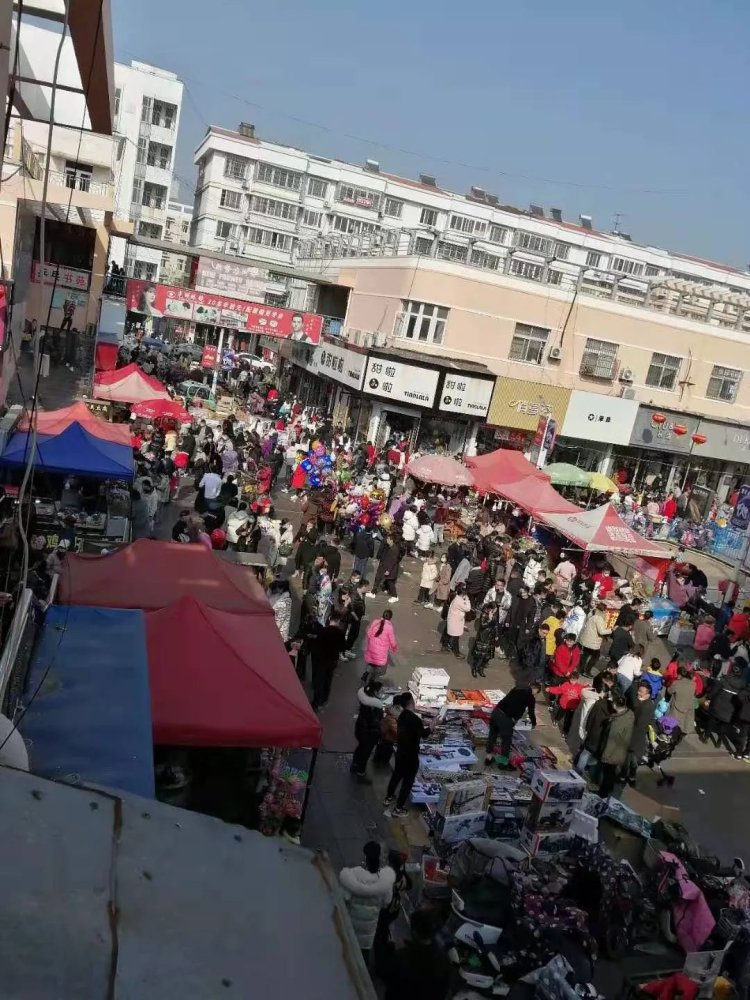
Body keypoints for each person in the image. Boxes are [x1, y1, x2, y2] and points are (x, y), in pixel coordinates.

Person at [339, 841, 396, 962]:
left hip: (352, 925)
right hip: (369, 930)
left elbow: (345, 898)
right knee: (363, 958)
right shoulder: (384, 882)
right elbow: (386, 903)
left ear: (365, 856)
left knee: (347, 956)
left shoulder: (353, 874)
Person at [379, 909, 452, 1000]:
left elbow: (385, 975)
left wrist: (387, 949)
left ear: (414, 932)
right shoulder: (443, 961)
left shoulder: (403, 957)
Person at [384, 693, 431, 818]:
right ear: (411, 702)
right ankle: (398, 808)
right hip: (411, 755)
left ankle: (388, 797)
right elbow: (424, 734)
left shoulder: (402, 716)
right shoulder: (416, 720)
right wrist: (432, 726)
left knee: (396, 775)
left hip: (401, 752)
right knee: (407, 782)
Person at [484, 682, 541, 768]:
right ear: (535, 690)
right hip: (506, 719)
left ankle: (489, 757)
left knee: (493, 734)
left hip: (496, 712)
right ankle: (502, 763)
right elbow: (531, 712)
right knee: (506, 741)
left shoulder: (517, 688)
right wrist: (533, 723)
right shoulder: (530, 698)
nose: (535, 694)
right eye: (536, 692)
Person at [598, 687, 634, 798]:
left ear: (615, 705)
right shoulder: (630, 714)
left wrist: (605, 756)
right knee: (613, 773)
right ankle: (609, 789)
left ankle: (603, 795)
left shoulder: (616, 722)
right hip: (622, 750)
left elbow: (611, 741)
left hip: (613, 753)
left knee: (607, 775)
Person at [310, 611, 346, 711]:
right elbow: (343, 647)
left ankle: (316, 702)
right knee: (328, 679)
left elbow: (316, 645)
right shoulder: (340, 633)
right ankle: (324, 699)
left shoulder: (322, 631)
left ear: (330, 619)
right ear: (338, 621)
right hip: (332, 660)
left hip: (321, 659)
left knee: (319, 680)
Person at [350, 680, 385, 781]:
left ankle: (355, 764)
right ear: (376, 692)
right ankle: (361, 772)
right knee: (365, 752)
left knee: (360, 748)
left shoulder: (365, 701)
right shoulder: (374, 706)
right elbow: (376, 721)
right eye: (381, 690)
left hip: (361, 730)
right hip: (369, 733)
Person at [625, 679, 656, 784]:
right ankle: (626, 776)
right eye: (639, 690)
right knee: (628, 758)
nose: (639, 693)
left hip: (637, 737)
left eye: (641, 691)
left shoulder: (647, 706)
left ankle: (630, 777)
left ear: (647, 694)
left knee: (633, 760)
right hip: (632, 735)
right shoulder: (642, 703)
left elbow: (640, 722)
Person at [578, 602, 611, 676]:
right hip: (593, 642)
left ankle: (581, 669)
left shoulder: (591, 613)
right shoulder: (599, 618)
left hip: (585, 638)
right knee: (595, 657)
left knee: (585, 655)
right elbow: (601, 631)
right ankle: (587, 671)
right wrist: (611, 630)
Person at [363, 610, 398, 680]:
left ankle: (366, 673)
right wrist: (394, 648)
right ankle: (372, 681)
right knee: (377, 666)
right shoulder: (389, 627)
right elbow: (392, 641)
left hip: (371, 648)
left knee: (372, 662)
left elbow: (369, 633)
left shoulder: (375, 622)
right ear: (390, 618)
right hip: (381, 652)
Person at [368, 536, 402, 604]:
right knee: (379, 578)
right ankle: (373, 592)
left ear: (391, 540)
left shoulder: (394, 549)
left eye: (388, 539)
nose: (387, 540)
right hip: (385, 566)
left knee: (390, 582)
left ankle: (395, 596)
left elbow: (393, 561)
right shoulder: (391, 547)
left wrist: (388, 570)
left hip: (388, 568)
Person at [442, 583, 471, 659]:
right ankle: (456, 652)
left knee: (450, 633)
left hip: (454, 619)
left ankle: (445, 645)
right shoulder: (459, 601)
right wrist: (467, 599)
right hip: (455, 621)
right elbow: (468, 608)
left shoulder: (457, 598)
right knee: (456, 637)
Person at [468, 603, 497, 678]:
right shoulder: (484, 614)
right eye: (494, 609)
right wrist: (490, 620)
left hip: (491, 638)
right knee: (478, 655)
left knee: (487, 657)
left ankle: (481, 669)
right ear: (490, 609)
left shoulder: (494, 614)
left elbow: (496, 625)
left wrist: (497, 635)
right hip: (483, 637)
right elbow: (483, 625)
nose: (495, 611)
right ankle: (474, 669)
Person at [669, 662, 696, 736]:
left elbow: (669, 691)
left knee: (672, 724)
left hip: (676, 706)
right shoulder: (693, 684)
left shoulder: (677, 683)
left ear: (680, 674)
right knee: (682, 725)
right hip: (687, 708)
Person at [344, 579, 369, 660]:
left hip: (358, 617)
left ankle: (349, 647)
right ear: (363, 586)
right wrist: (357, 619)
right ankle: (347, 649)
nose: (367, 589)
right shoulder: (354, 595)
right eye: (366, 587)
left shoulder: (362, 593)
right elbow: (352, 610)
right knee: (353, 634)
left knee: (355, 634)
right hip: (354, 618)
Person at [269, 578, 292, 643]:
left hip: (279, 632)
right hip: (281, 630)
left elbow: (279, 620)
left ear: (281, 589)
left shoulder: (282, 602)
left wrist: (272, 630)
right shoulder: (286, 598)